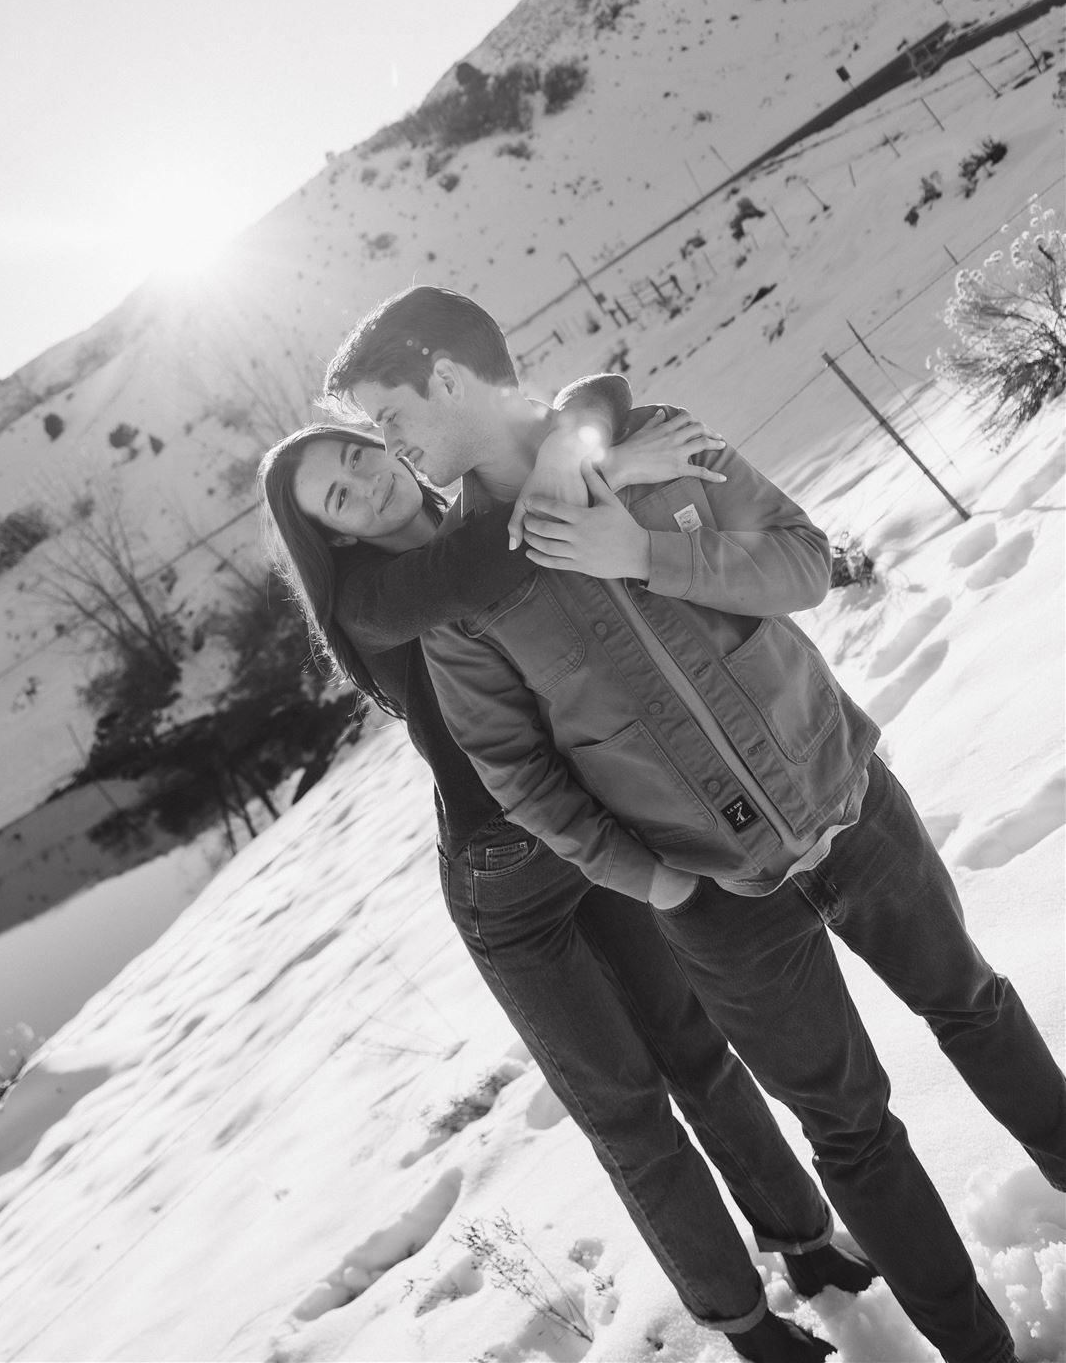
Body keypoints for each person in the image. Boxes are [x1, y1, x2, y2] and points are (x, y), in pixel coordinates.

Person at [323, 284, 1066, 1363]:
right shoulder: (463, 599)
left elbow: (803, 559)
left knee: (978, 1006)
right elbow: (521, 773)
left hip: (852, 805)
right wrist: (656, 880)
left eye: (390, 415)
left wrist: (647, 554)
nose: (387, 446)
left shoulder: (649, 445)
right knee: (850, 1132)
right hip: (721, 902)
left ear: (446, 376)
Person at [259, 399, 877, 1362]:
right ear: (330, 535)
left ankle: (806, 1244)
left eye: (354, 452)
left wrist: (570, 443)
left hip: (596, 830)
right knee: (632, 1113)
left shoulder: (483, 509)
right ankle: (746, 1327)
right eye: (336, 495)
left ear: (381, 436)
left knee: (701, 1057)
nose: (363, 478)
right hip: (508, 885)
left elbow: (583, 394)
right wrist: (600, 464)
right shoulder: (374, 599)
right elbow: (510, 555)